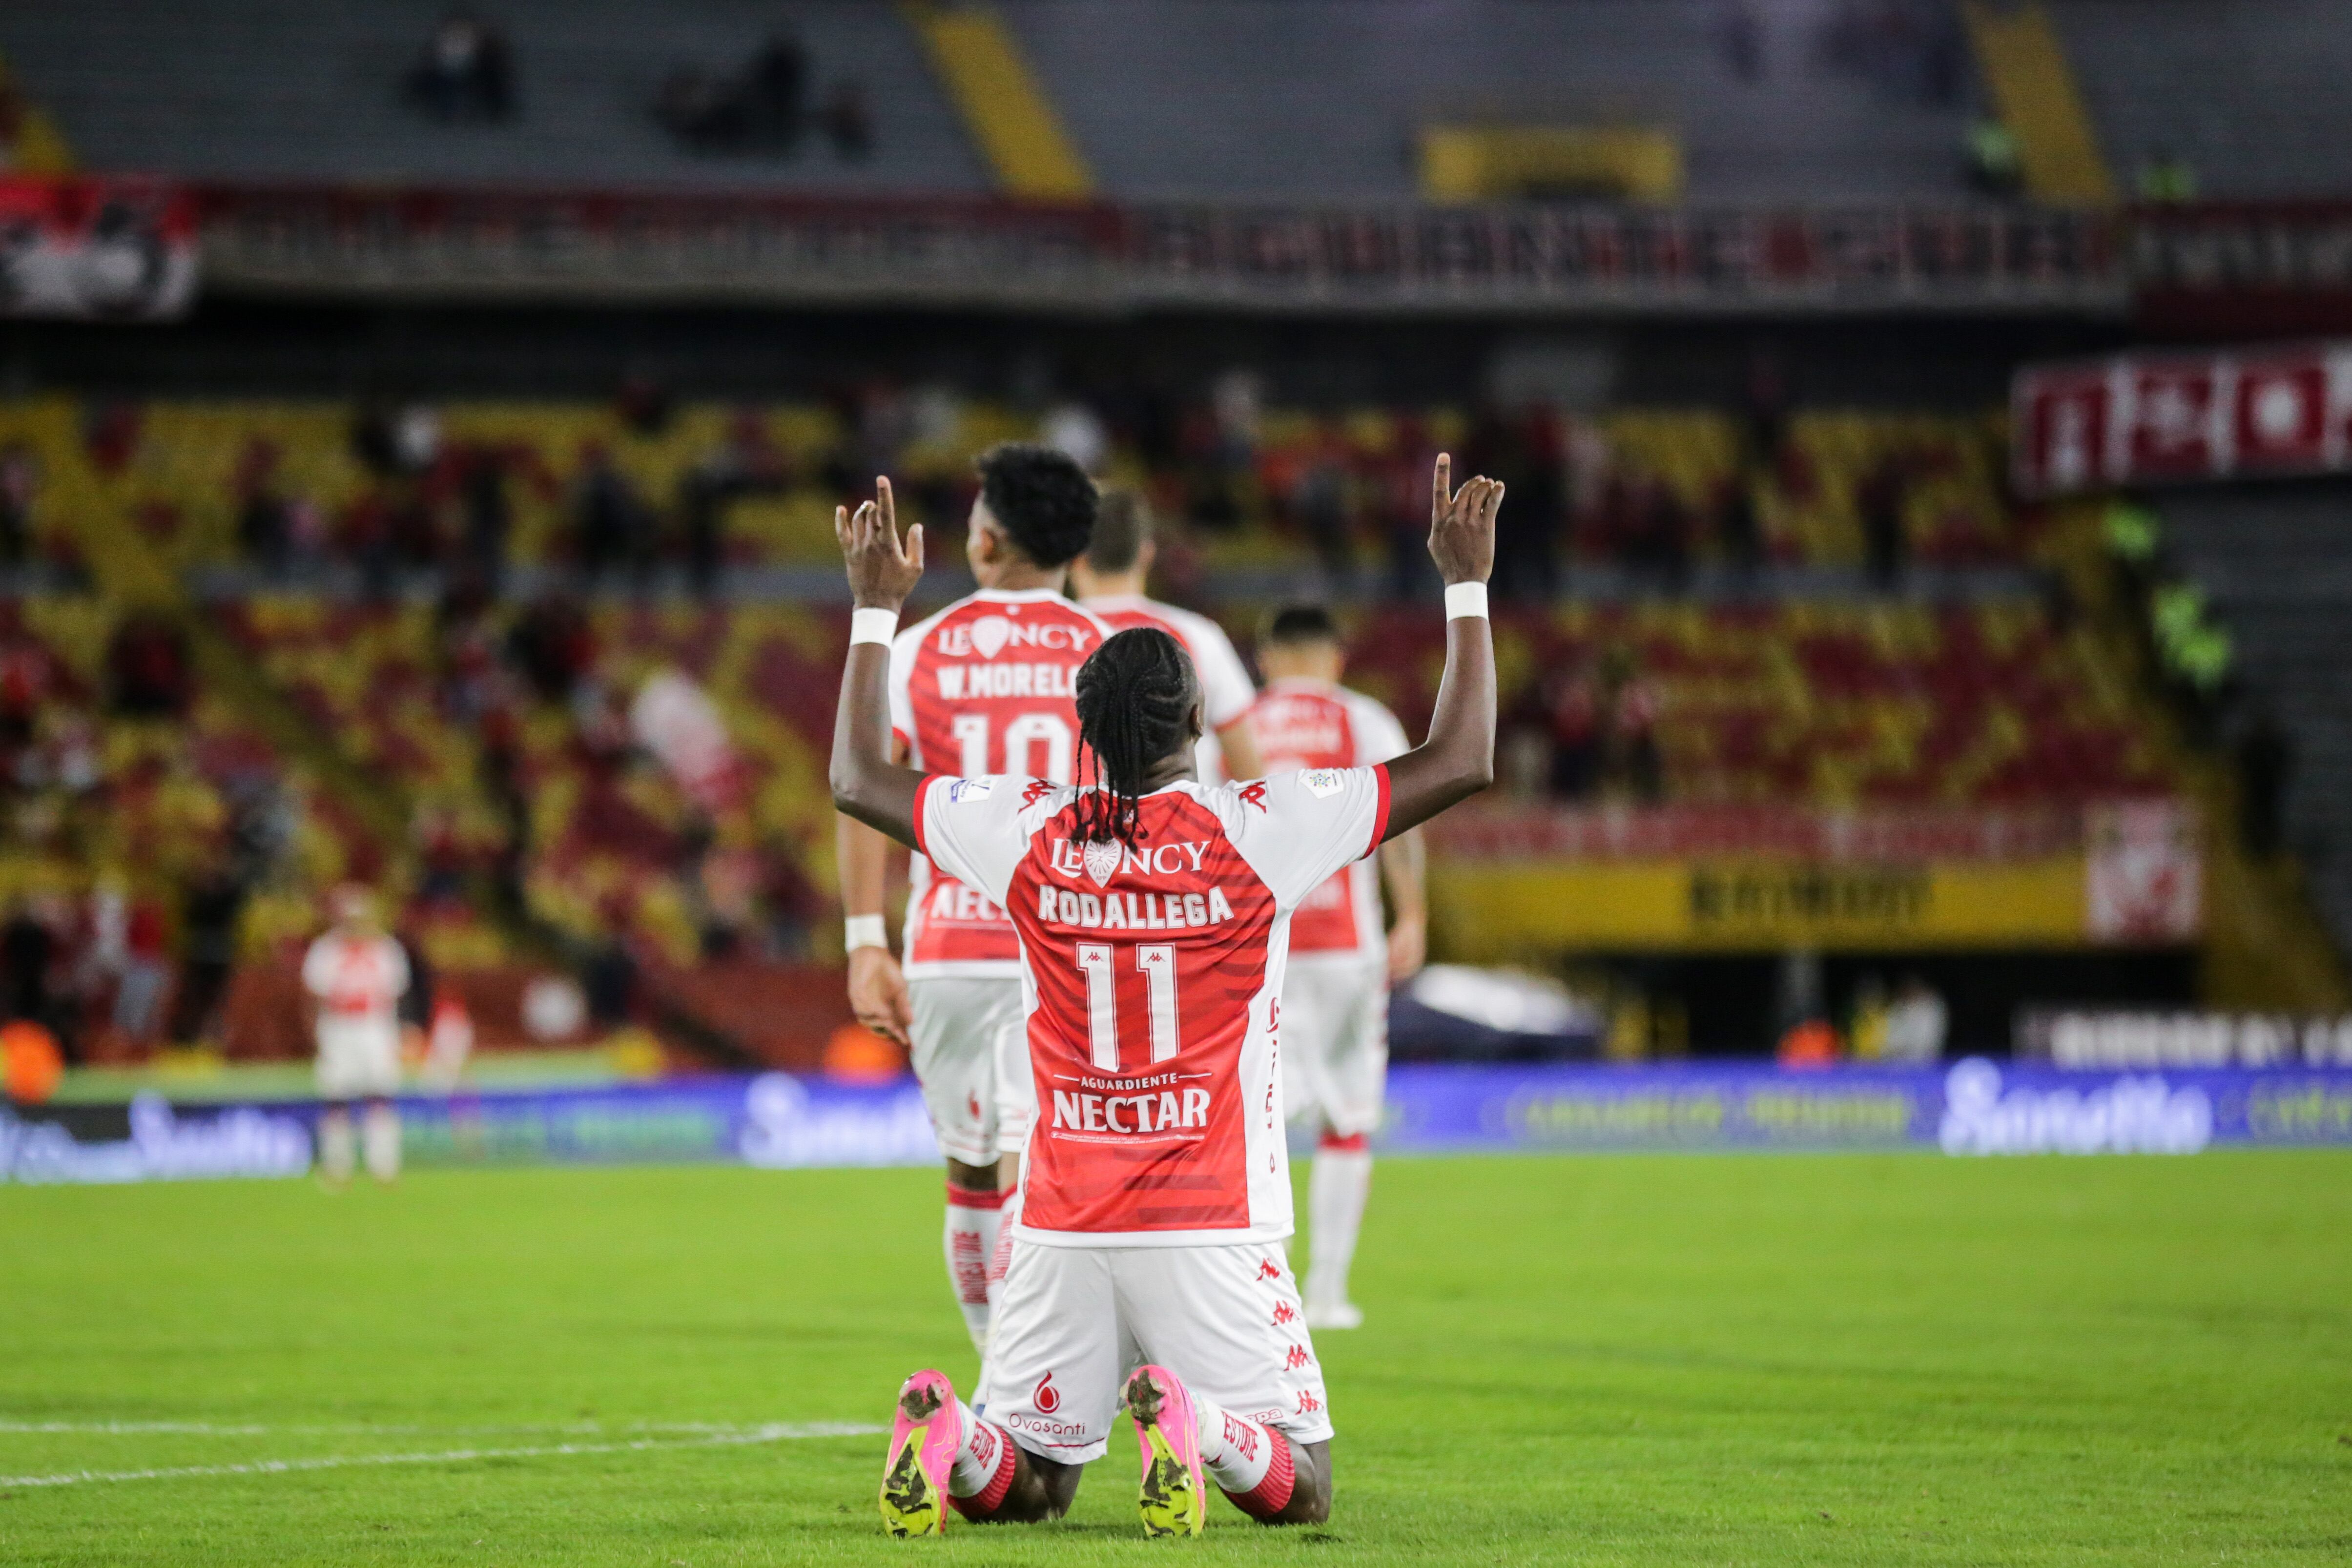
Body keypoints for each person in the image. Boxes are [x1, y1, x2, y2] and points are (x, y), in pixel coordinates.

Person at [831, 454, 1501, 1536]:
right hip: (1211, 1218)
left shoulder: (1024, 828)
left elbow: (859, 778)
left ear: (1083, 734)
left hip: (1055, 1221)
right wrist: (1464, 582)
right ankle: (1203, 1426)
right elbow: (1462, 755)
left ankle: (952, 1434)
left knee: (1035, 1483)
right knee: (1306, 1481)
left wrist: (873, 612)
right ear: (1194, 722)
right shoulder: (1264, 826)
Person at [835, 444, 1109, 1368]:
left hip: (950, 943)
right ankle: (1056, 1374)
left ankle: (999, 1367)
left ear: (985, 539)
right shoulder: (1109, 653)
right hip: (1072, 946)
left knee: (971, 1163)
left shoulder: (919, 648)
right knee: (1061, 1171)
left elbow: (863, 789)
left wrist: (864, 937)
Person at [1245, 603, 1424, 1329]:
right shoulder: (1365, 720)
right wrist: (1411, 911)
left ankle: (1265, 1290)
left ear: (1265, 656)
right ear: (1336, 657)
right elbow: (1404, 818)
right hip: (1349, 944)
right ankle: (1326, 1291)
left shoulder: (1239, 721)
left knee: (1258, 1115)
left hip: (1260, 946)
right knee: (1347, 1116)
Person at [1067, 491, 1262, 784]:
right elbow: (1248, 764)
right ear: (1147, 553)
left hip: (1072, 821)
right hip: (1180, 822)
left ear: (1074, 557)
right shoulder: (1197, 636)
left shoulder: (1037, 640)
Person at [302, 885, 412, 1188]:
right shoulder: (326, 950)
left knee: (381, 1094)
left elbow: (396, 993)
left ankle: (385, 1167)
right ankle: (338, 1167)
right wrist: (316, 1033)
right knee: (336, 1096)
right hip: (338, 1025)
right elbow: (314, 994)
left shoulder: (387, 950)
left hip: (375, 1024)